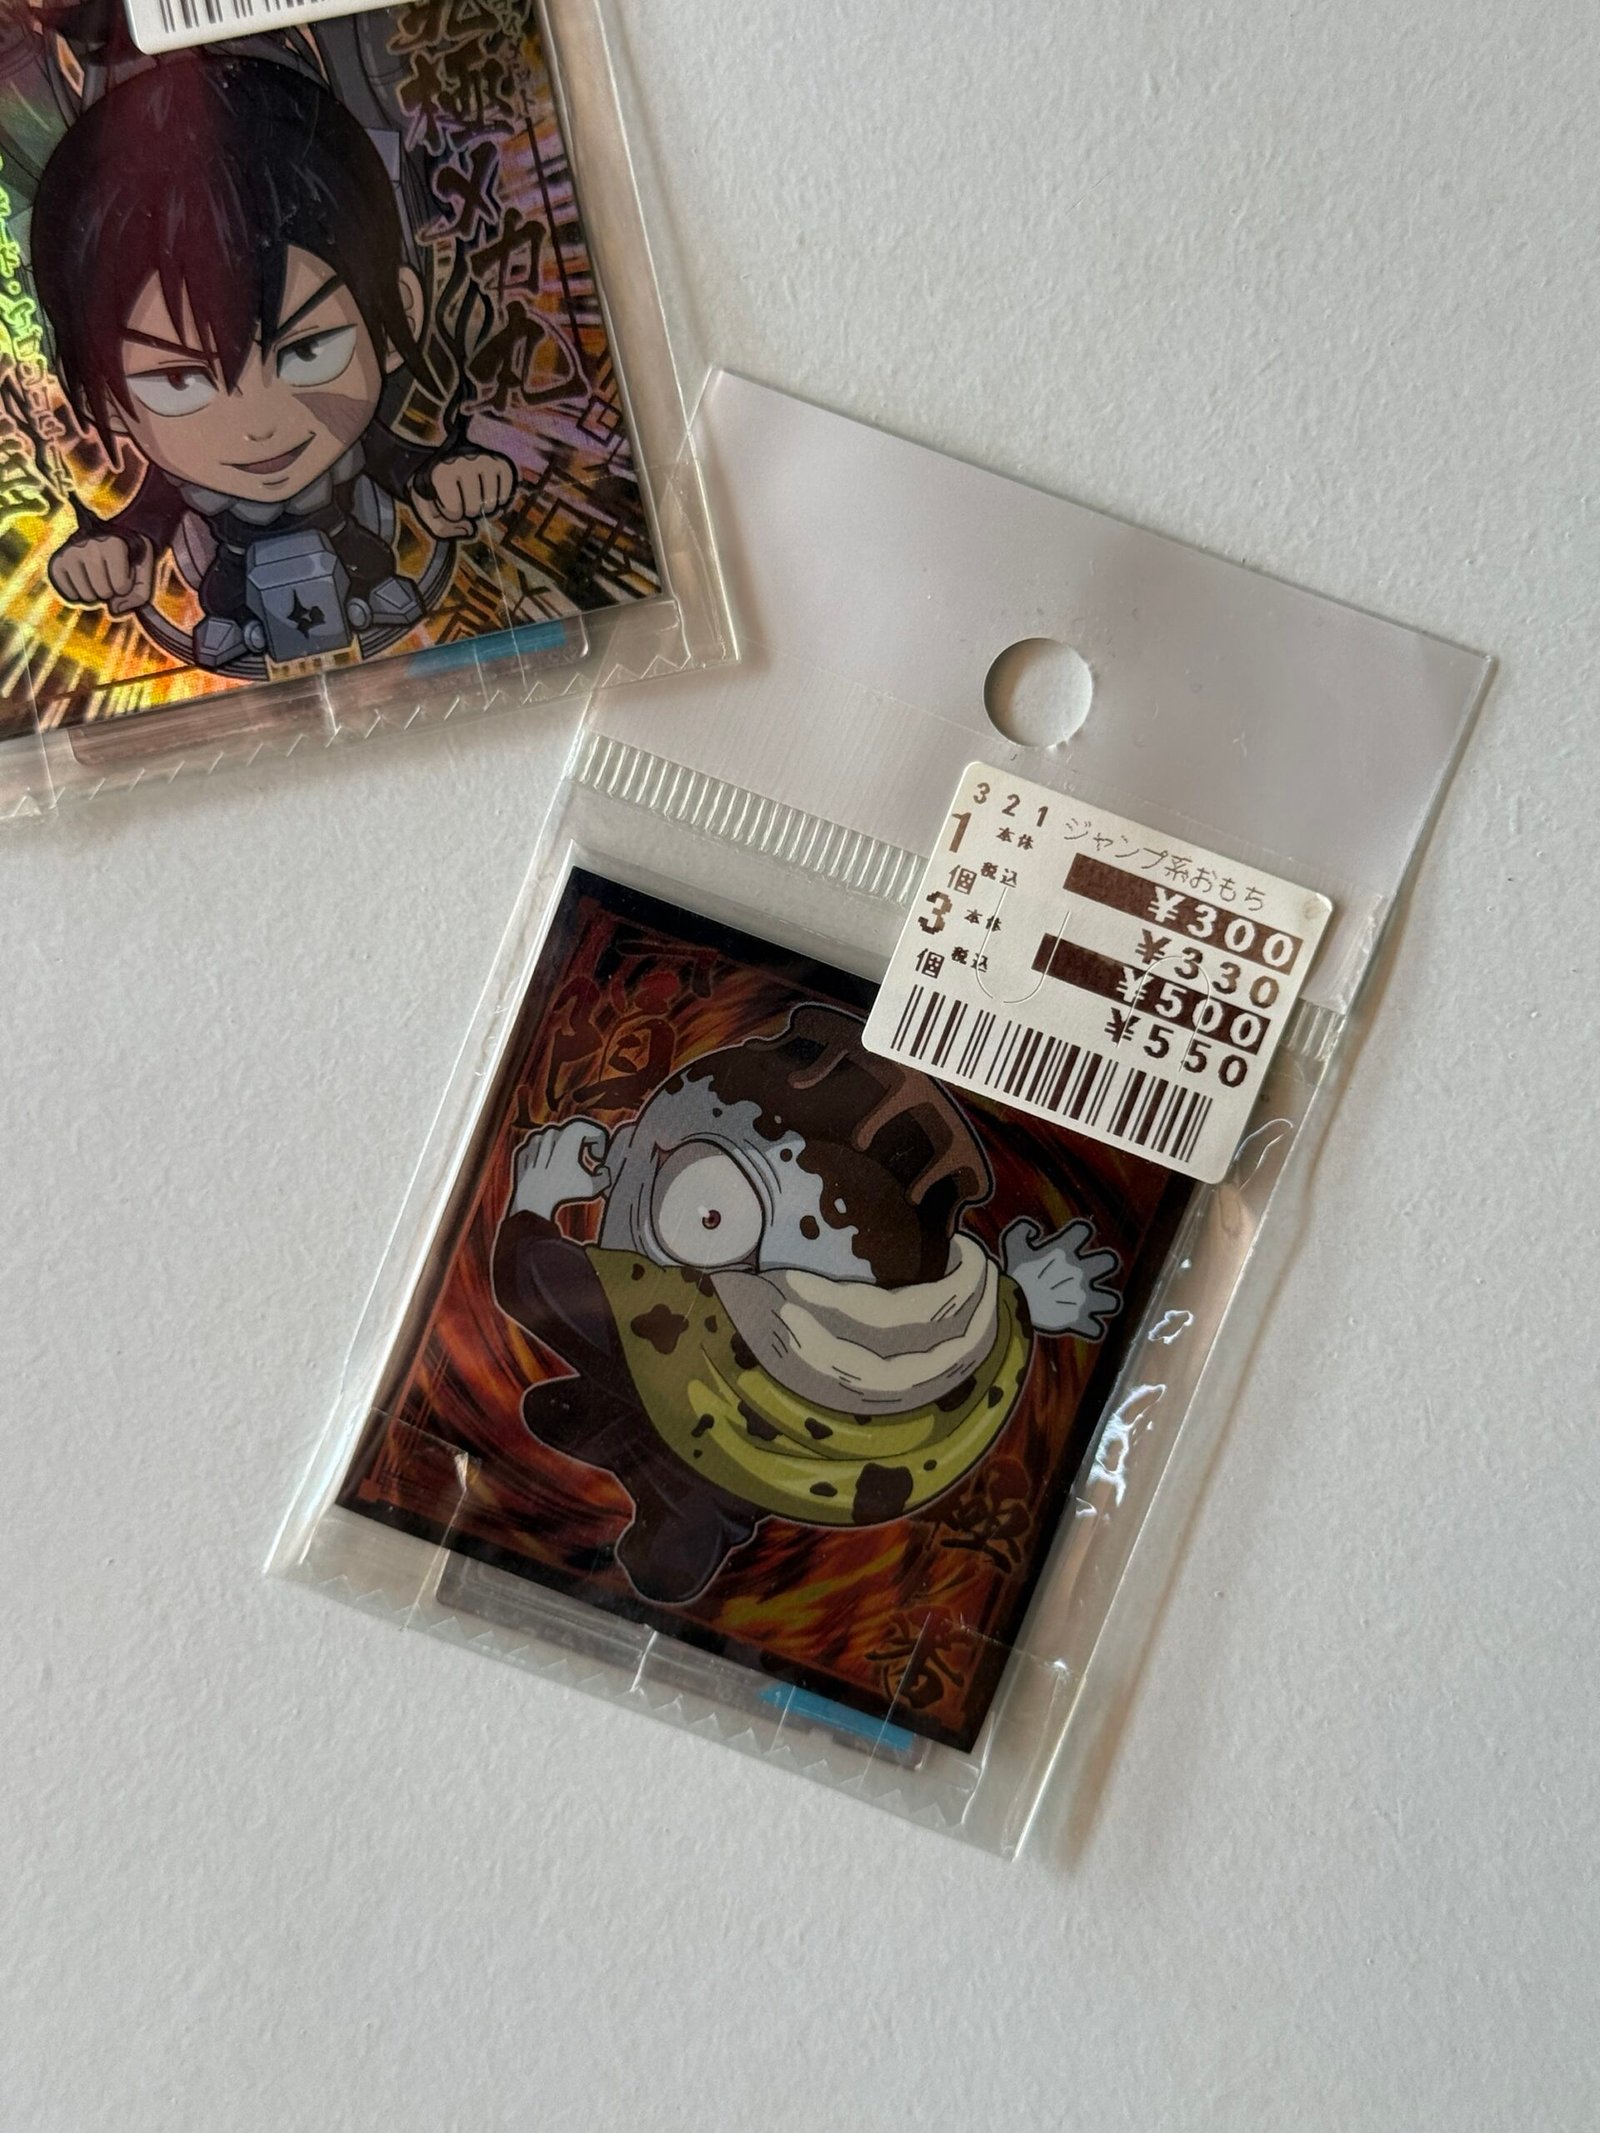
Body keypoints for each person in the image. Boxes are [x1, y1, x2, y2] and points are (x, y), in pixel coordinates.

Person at [30, 52, 514, 667]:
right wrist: (108, 555)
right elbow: (144, 524)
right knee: (226, 593)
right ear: (100, 394)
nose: (258, 425)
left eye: (308, 350)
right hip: (236, 583)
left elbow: (406, 464)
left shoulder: (354, 444)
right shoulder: (180, 480)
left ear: (399, 318)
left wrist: (449, 479)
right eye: (178, 380)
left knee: (367, 561)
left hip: (357, 561)